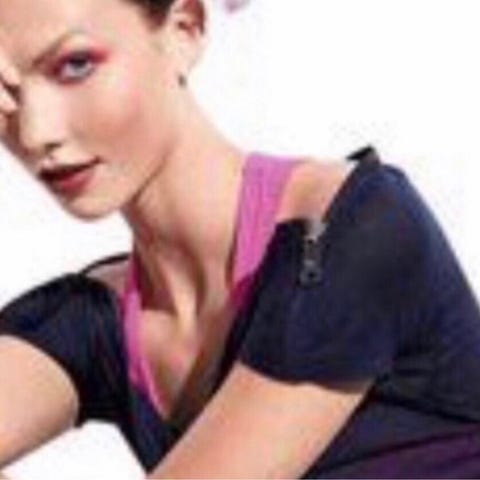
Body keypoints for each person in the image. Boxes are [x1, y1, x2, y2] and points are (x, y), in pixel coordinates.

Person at [1, 0, 480, 478]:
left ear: (185, 30)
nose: (36, 131)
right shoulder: (89, 319)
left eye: (75, 65)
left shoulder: (356, 230)